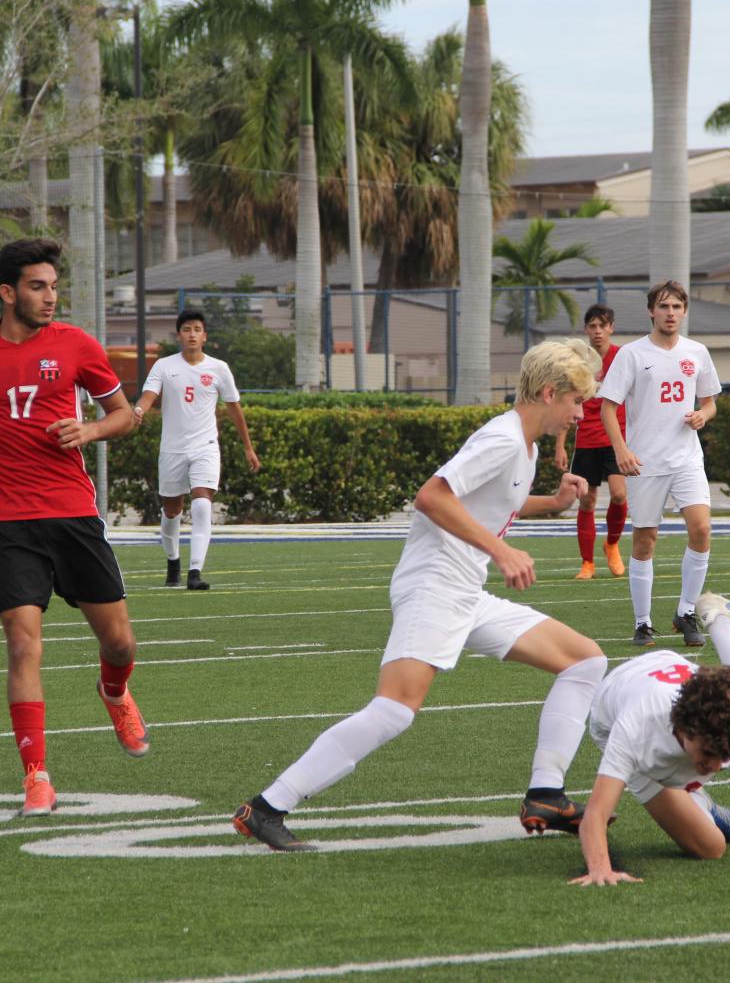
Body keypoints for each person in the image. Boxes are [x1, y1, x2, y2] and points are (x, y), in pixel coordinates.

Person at [232, 339, 611, 851]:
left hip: (464, 591)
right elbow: (432, 497)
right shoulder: (501, 439)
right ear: (548, 393)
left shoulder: (527, 445)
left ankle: (546, 794)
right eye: (575, 402)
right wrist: (501, 553)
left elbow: (494, 505)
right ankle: (269, 806)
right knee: (394, 710)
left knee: (585, 660)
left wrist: (555, 502)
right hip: (434, 585)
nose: (578, 414)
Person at [0, 238, 149, 818]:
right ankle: (36, 778)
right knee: (23, 645)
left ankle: (115, 691)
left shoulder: (77, 345)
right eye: (37, 286)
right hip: (8, 521)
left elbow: (125, 415)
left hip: (73, 512)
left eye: (53, 286)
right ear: (7, 292)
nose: (50, 297)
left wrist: (90, 432)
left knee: (120, 643)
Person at [572, 593, 730, 886]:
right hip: (617, 700)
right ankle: (699, 801)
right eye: (709, 753)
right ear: (685, 727)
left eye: (726, 755)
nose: (716, 767)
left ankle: (721, 623)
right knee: (710, 848)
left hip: (681, 684)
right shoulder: (637, 728)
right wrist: (600, 868)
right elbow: (596, 813)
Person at [598, 280, 722, 649]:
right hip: (645, 462)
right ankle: (642, 622)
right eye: (663, 307)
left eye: (677, 307)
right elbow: (608, 406)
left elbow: (711, 402)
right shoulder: (633, 354)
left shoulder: (697, 352)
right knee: (645, 539)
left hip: (686, 458)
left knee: (701, 529)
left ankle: (685, 613)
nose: (670, 313)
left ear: (684, 311)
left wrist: (703, 414)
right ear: (651, 311)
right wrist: (621, 450)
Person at [132, 310, 260, 591]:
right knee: (171, 509)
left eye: (197, 329)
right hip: (173, 450)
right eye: (187, 329)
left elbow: (234, 408)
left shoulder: (218, 368)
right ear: (179, 335)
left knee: (202, 503)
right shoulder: (164, 366)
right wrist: (139, 409)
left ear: (205, 336)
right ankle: (173, 560)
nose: (192, 334)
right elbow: (149, 395)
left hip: (206, 447)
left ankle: (195, 571)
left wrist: (247, 447)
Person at [552, 304, 629, 581]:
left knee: (620, 495)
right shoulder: (578, 361)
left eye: (602, 326)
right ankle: (587, 563)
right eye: (592, 326)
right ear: (586, 329)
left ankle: (612, 544)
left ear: (611, 328)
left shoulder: (623, 357)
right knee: (587, 500)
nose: (597, 331)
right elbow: (567, 401)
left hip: (615, 437)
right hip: (585, 440)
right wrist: (561, 444)